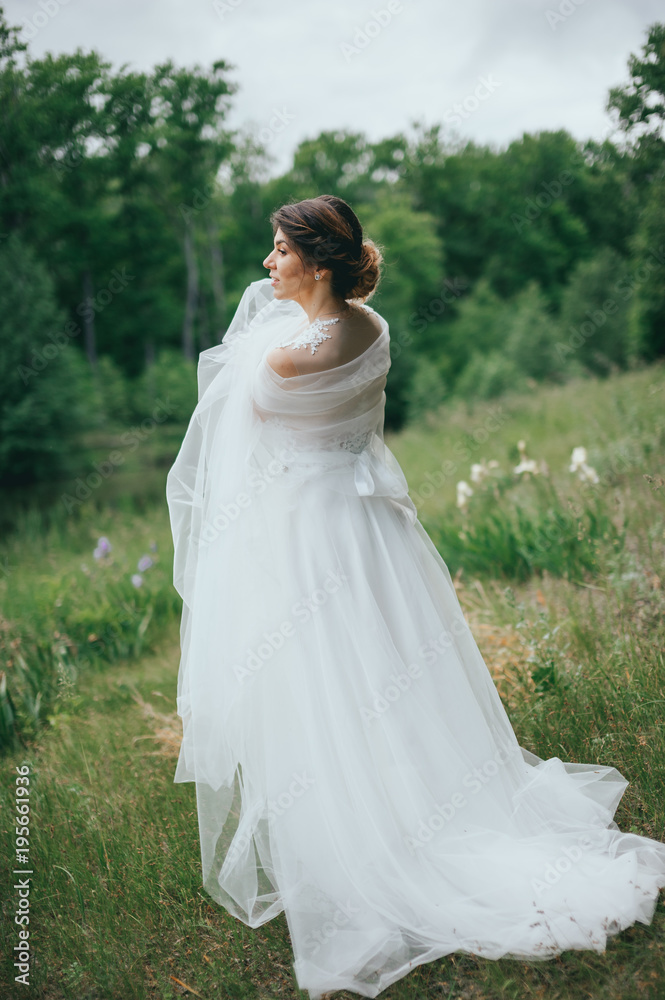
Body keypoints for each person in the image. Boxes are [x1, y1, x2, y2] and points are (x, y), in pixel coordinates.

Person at [166, 194, 665, 1000]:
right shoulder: (373, 327)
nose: (267, 266)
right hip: (371, 527)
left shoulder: (285, 359)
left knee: (326, 682)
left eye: (279, 253)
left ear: (316, 262)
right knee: (391, 671)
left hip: (311, 534)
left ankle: (368, 841)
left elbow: (240, 416)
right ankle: (424, 796)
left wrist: (264, 329)